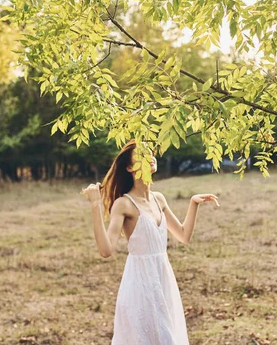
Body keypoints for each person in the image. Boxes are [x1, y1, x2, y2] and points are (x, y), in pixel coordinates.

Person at [81, 139, 220, 344]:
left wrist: (193, 203)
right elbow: (106, 250)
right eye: (142, 155)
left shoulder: (159, 199)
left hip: (163, 278)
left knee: (168, 336)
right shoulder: (123, 204)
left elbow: (183, 235)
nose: (151, 156)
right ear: (129, 167)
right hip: (139, 283)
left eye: (151, 152)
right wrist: (95, 206)